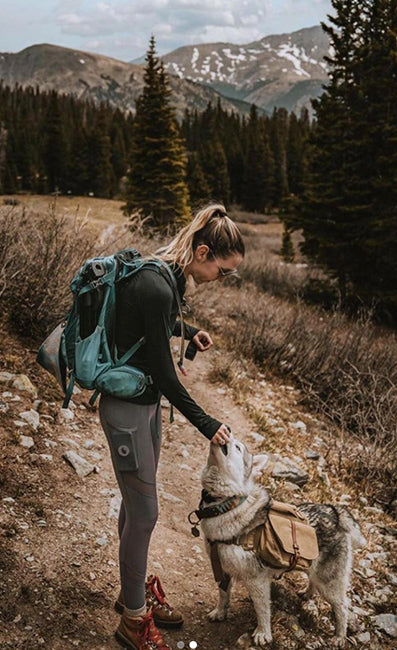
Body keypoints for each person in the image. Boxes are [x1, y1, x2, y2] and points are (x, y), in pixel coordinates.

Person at [102, 204, 244, 650]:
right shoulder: (159, 284)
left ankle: (134, 589)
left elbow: (153, 324)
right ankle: (132, 621)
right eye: (223, 272)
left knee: (135, 509)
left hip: (142, 406)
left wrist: (188, 330)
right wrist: (208, 423)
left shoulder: (164, 274)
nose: (222, 280)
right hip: (127, 410)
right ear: (203, 251)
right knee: (145, 515)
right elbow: (166, 374)